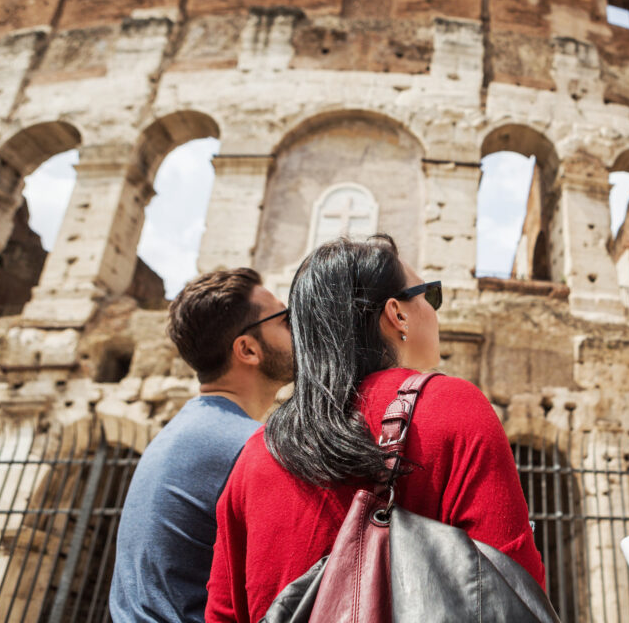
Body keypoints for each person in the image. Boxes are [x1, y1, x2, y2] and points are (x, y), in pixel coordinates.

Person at [206, 235, 545, 623]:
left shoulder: (255, 453)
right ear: (397, 314)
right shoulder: (453, 406)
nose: (435, 311)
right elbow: (514, 588)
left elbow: (224, 613)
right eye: (429, 296)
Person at [110, 268, 293, 623]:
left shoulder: (179, 433)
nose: (298, 330)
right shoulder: (248, 447)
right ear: (248, 349)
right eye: (285, 320)